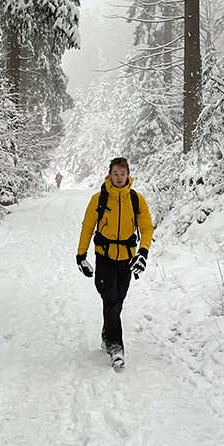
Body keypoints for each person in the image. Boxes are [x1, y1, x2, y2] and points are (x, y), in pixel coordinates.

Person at [75, 157, 154, 369]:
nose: (119, 178)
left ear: (128, 175)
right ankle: (116, 347)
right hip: (104, 257)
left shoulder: (136, 199)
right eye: (115, 173)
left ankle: (106, 333)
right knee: (110, 299)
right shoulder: (98, 199)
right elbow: (87, 227)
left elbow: (147, 227)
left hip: (126, 258)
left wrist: (143, 253)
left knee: (118, 299)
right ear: (109, 175)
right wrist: (81, 256)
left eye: (123, 173)